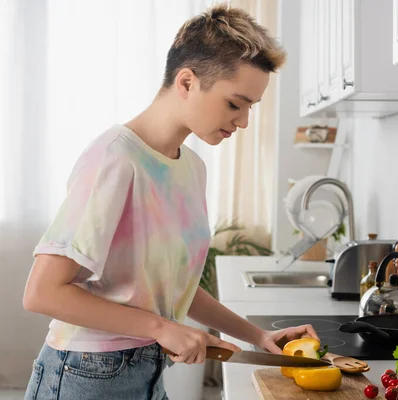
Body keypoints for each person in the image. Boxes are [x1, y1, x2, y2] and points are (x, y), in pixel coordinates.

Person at [22, 4, 318, 399]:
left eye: (251, 107)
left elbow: (172, 287)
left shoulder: (192, 168)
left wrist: (257, 336)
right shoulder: (115, 158)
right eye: (235, 103)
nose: (244, 121)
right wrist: (163, 328)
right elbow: (42, 293)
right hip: (85, 375)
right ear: (186, 82)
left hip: (146, 370)